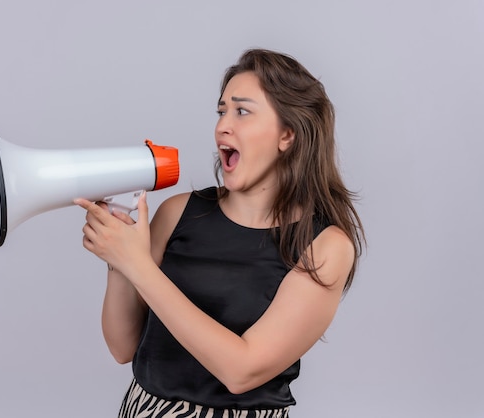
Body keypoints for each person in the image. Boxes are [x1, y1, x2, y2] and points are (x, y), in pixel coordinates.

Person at [75, 48, 365, 418]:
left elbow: (242, 371)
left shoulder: (326, 247)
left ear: (287, 135)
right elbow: (122, 347)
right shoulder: (178, 213)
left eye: (241, 111)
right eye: (221, 111)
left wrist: (138, 266)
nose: (222, 126)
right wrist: (118, 258)